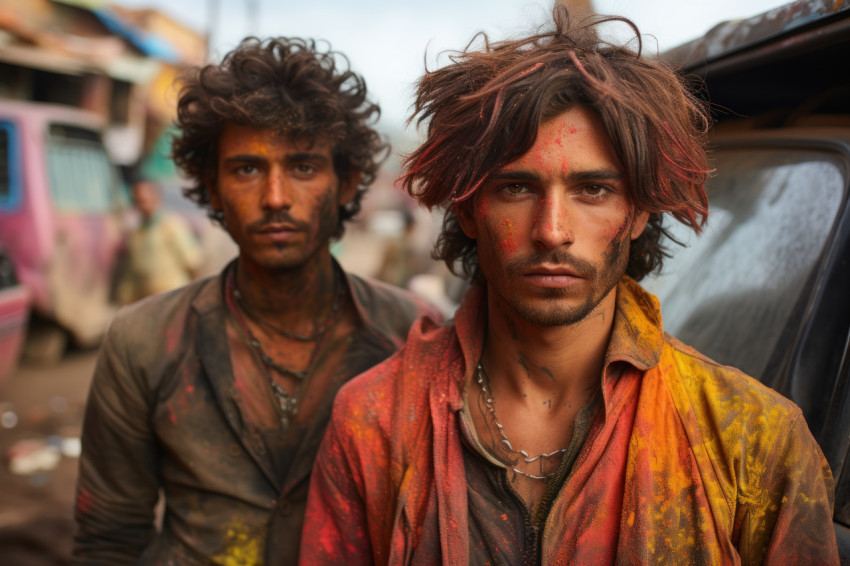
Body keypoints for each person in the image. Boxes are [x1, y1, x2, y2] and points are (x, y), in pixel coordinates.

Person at [300, 10, 839, 565]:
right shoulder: (375, 420)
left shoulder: (752, 439)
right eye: (515, 187)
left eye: (592, 190)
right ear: (467, 209)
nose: (552, 231)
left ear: (637, 212)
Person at [72, 37, 439, 565]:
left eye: (303, 167)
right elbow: (108, 538)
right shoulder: (144, 340)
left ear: (346, 183)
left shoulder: (415, 336)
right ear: (213, 187)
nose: (274, 197)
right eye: (246, 169)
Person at [115, 178, 203, 304]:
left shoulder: (173, 226)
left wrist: (194, 297)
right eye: (139, 201)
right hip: (146, 303)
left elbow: (193, 264)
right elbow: (131, 274)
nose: (143, 205)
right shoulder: (136, 234)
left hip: (173, 300)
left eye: (146, 200)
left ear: (157, 198)